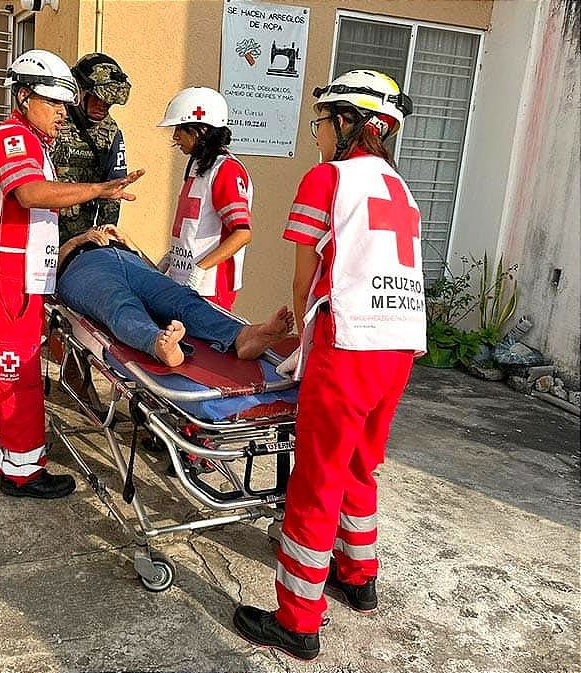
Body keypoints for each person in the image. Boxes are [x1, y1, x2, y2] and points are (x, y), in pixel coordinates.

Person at [232, 70, 426, 660]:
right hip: (399, 346)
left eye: (320, 122)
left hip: (348, 349)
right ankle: (358, 577)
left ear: (347, 124)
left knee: (315, 481)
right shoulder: (399, 186)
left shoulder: (328, 178)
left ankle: (297, 619)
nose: (315, 133)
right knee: (361, 466)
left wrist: (299, 336)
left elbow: (301, 280)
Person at [0, 49, 143, 500]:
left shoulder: (33, 142)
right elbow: (28, 193)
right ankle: (23, 471)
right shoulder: (11, 138)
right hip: (7, 282)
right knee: (17, 375)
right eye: (54, 103)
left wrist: (76, 243)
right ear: (24, 98)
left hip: (6, 278)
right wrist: (99, 189)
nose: (64, 113)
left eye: (66, 103)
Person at [56, 226, 293, 367]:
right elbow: (53, 270)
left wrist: (129, 243)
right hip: (82, 267)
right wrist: (80, 240)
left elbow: (153, 269)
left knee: (180, 298)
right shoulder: (69, 239)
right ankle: (158, 343)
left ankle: (242, 336)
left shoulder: (124, 245)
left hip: (131, 262)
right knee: (118, 303)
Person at [156, 87, 253, 311]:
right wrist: (172, 257)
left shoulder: (226, 170)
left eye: (180, 129)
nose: (175, 137)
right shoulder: (199, 165)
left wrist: (200, 270)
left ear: (200, 130)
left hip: (210, 289)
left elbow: (242, 233)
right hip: (186, 284)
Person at [50, 53, 131, 243]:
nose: (103, 106)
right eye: (97, 98)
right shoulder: (53, 120)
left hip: (81, 240)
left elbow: (112, 193)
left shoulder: (110, 133)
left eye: (108, 101)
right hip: (40, 233)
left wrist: (105, 240)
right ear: (79, 90)